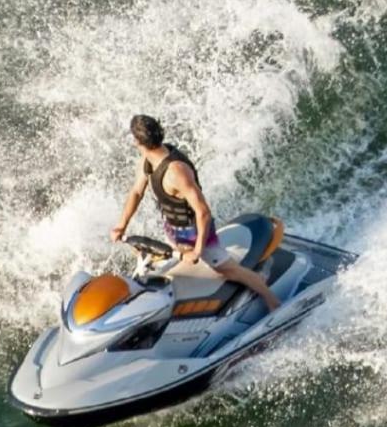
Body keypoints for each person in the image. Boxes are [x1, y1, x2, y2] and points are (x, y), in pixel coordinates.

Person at [110, 114, 281, 312]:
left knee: (227, 270)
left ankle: (271, 300)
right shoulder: (146, 162)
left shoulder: (176, 171)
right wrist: (121, 226)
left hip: (197, 232)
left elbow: (203, 212)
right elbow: (137, 192)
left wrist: (198, 250)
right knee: (156, 259)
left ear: (138, 142)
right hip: (173, 228)